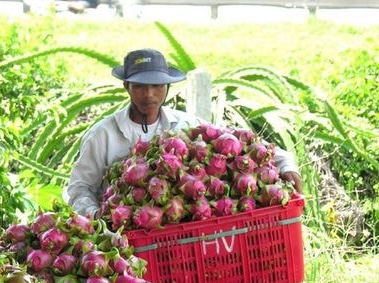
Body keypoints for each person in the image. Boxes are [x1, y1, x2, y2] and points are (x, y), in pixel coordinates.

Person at [64, 48, 303, 218]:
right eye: (140, 86)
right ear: (126, 87)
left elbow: (239, 143)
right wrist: (96, 216)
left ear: (168, 88)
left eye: (157, 86)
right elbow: (79, 187)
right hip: (126, 238)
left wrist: (286, 164)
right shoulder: (103, 135)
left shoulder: (186, 125)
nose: (149, 95)